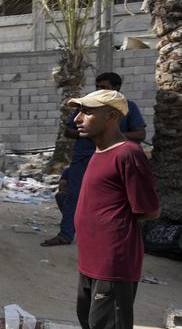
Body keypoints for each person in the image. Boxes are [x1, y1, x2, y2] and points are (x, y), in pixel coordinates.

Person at [66, 89, 159, 329]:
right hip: (91, 258)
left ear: (112, 117)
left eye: (88, 112)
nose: (79, 119)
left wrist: (113, 230)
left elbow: (149, 209)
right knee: (89, 320)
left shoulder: (129, 154)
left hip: (114, 259)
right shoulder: (98, 151)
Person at [41, 72, 147, 247]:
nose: (98, 90)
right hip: (84, 158)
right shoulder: (86, 104)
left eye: (103, 87)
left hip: (112, 161)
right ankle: (66, 234)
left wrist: (110, 135)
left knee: (111, 200)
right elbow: (69, 130)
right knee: (73, 196)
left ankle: (108, 237)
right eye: (97, 86)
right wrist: (88, 134)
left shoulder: (127, 108)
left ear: (116, 88)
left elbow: (139, 134)